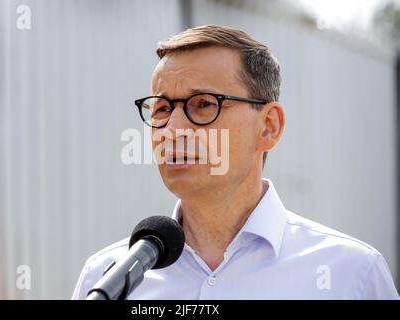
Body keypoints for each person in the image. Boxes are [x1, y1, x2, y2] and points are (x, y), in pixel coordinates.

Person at [72, 25, 399, 299]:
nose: (172, 130)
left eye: (203, 104)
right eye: (161, 108)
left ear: (268, 127)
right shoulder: (105, 281)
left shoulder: (352, 275)